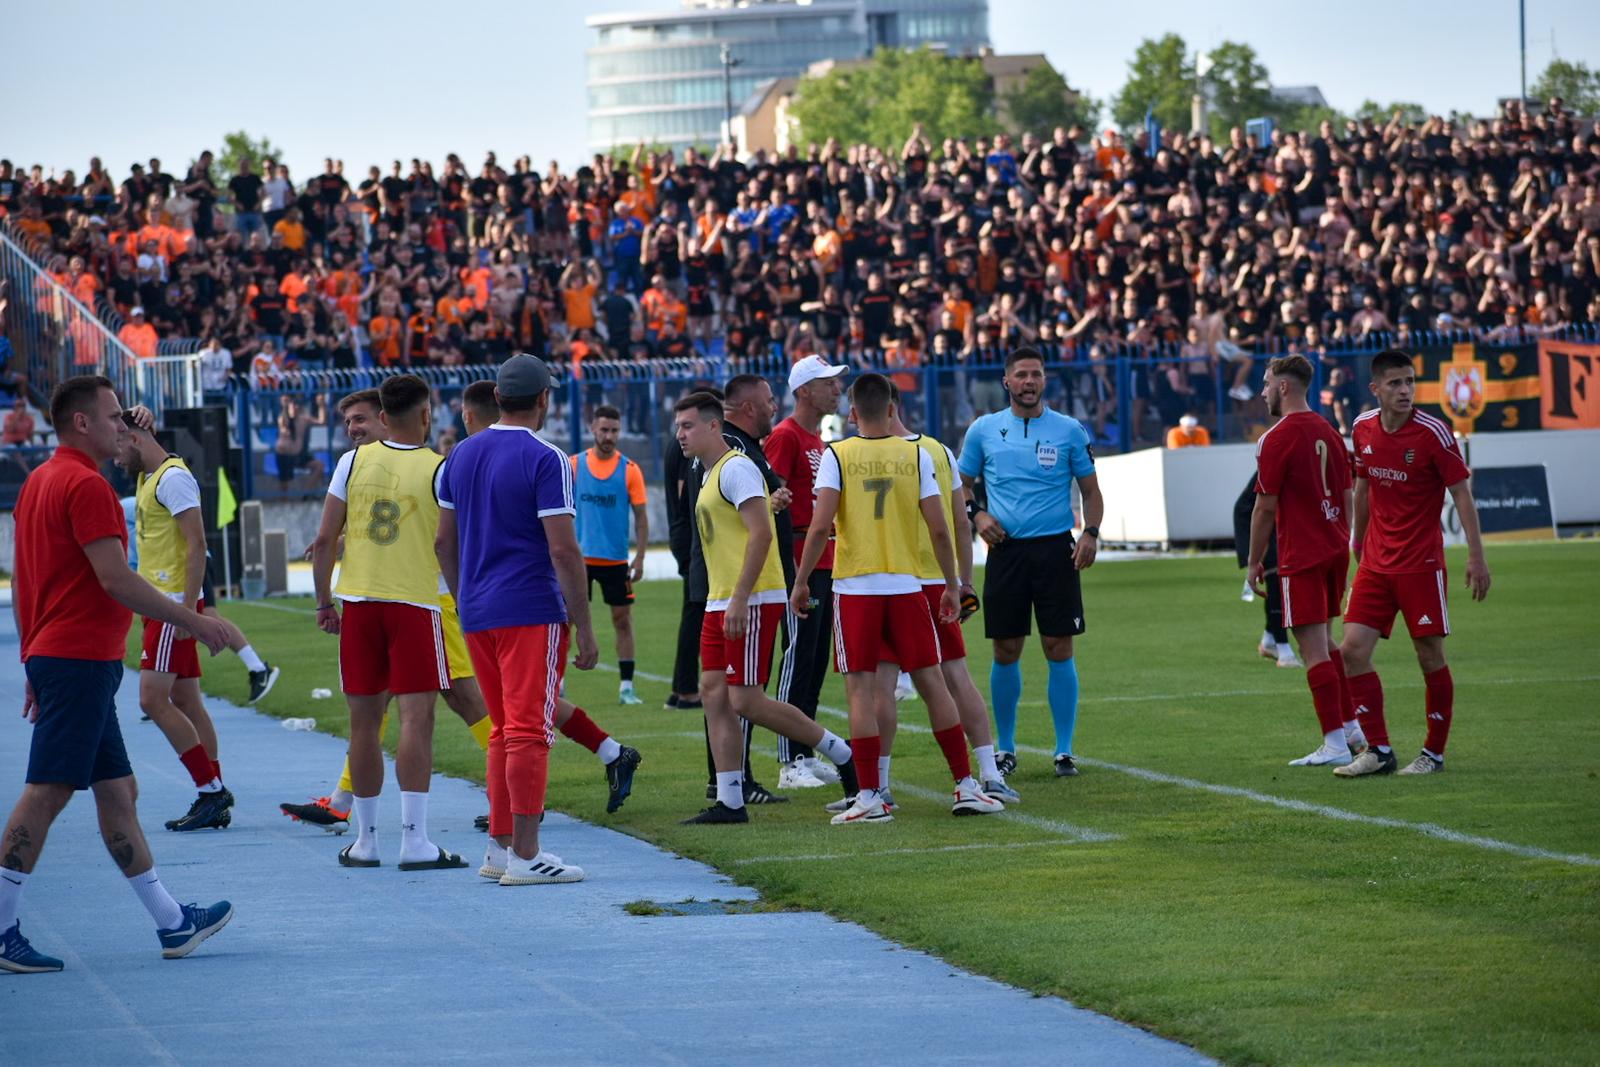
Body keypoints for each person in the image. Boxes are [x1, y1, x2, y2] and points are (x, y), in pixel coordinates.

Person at [1, 375, 234, 975]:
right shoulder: (85, 485)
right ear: (82, 423)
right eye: (111, 418)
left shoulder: (40, 482)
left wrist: (31, 658)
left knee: (118, 792)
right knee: (47, 792)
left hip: (70, 657)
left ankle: (171, 922)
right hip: (78, 659)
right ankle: (2, 928)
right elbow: (116, 579)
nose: (122, 427)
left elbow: (28, 582)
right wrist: (194, 620)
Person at [792, 373, 1000, 825]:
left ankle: (871, 795)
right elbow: (942, 527)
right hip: (908, 587)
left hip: (855, 589)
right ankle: (966, 784)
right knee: (933, 684)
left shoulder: (837, 455)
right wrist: (951, 583)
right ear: (891, 408)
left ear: (852, 411)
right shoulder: (916, 454)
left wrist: (802, 581)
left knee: (861, 692)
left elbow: (818, 524)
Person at [435, 355, 600, 885]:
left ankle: (500, 848)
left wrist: (466, 597)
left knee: (504, 731)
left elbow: (444, 540)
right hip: (529, 607)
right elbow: (564, 551)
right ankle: (527, 855)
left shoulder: (459, 456)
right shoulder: (548, 457)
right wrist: (586, 624)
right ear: (544, 399)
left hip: (479, 609)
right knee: (529, 731)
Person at [673, 392, 858, 825]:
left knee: (746, 701)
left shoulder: (737, 467)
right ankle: (730, 801)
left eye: (687, 426)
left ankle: (845, 756)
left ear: (714, 426)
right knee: (714, 696)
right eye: (678, 426)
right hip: (722, 599)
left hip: (751, 598)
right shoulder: (708, 472)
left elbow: (760, 537)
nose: (680, 434)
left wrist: (739, 598)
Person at [309, 374, 465, 871]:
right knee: (417, 720)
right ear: (426, 414)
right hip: (415, 605)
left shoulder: (351, 462)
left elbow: (325, 538)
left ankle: (366, 841)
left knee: (364, 724)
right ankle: (415, 840)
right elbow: (446, 544)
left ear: (381, 416)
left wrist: (323, 604)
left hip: (358, 604)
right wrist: (464, 598)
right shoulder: (440, 468)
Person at [1334, 350, 1491, 777]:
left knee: (1429, 656)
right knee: (1351, 652)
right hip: (1376, 564)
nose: (1405, 391)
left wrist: (1476, 556)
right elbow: (1362, 484)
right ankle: (1379, 751)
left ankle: (1433, 755)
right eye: (1395, 383)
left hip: (1421, 564)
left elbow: (1462, 495)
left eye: (1409, 382)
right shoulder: (1362, 428)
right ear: (1376, 389)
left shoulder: (1434, 433)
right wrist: (1358, 538)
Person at [868, 383, 1020, 808]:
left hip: (890, 581)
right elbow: (958, 521)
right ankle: (987, 775)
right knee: (953, 677)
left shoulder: (861, 454)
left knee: (886, 684)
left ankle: (878, 787)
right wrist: (964, 581)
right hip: (934, 580)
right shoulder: (938, 451)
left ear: (885, 407)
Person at [958, 346, 1103, 778]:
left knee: (1059, 646)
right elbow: (959, 485)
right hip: (1006, 552)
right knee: (1006, 649)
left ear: (1044, 380)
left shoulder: (1068, 430)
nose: (1029, 381)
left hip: (1055, 550)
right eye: (1021, 375)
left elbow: (1091, 491)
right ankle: (1005, 748)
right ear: (1006, 381)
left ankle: (1064, 750)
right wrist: (977, 514)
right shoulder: (983, 430)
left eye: (1036, 374)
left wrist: (1091, 533)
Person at [1246, 354, 1366, 767]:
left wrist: (1253, 561)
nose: (1262, 393)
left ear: (1284, 387)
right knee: (1327, 642)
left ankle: (1333, 743)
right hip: (1333, 548)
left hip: (1301, 552)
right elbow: (1348, 492)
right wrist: (1344, 536)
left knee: (1311, 647)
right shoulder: (1331, 432)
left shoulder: (1276, 438)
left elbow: (1264, 506)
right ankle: (1351, 728)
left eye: (1266, 384)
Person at [117, 416, 233, 831]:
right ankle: (213, 792)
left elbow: (197, 545)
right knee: (187, 701)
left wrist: (187, 611)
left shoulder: (173, 478)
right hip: (163, 605)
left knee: (151, 699)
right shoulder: (149, 476)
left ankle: (210, 789)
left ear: (134, 438)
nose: (115, 458)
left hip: (170, 606)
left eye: (118, 446)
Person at [766, 355, 849, 790]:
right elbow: (771, 499)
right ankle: (788, 762)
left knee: (815, 659)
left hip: (822, 558)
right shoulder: (786, 436)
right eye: (828, 383)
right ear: (803, 391)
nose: (837, 390)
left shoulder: (816, 440)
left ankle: (803, 748)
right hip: (799, 558)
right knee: (798, 655)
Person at [570, 404, 649, 706]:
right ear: (592, 429)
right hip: (578, 560)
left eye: (614, 430)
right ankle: (558, 684)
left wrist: (639, 557)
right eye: (604, 429)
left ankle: (626, 687)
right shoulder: (574, 465)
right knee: (567, 620)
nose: (609, 436)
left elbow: (641, 518)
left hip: (616, 560)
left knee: (622, 620)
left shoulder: (630, 470)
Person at [1232, 473, 1300, 669]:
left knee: (1284, 579)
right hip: (1255, 518)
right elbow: (1264, 506)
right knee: (1277, 579)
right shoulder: (1282, 452)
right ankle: (1284, 650)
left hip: (1272, 517)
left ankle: (1269, 639)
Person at [663, 428, 703, 711]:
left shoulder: (676, 444)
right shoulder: (685, 447)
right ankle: (687, 689)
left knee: (693, 611)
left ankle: (680, 688)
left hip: (682, 533)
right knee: (695, 610)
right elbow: (684, 491)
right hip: (689, 535)